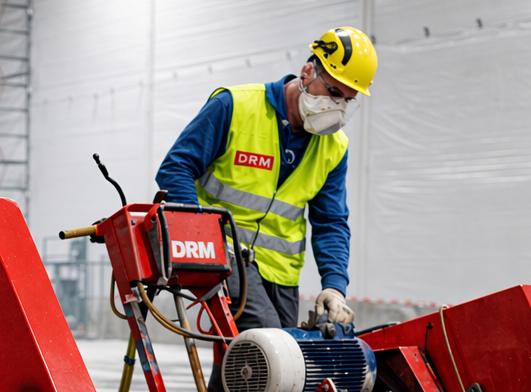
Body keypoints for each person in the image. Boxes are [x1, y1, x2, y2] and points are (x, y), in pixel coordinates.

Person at [155, 27, 376, 334]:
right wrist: (198, 237)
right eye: (334, 93)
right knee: (268, 345)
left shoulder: (334, 148)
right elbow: (176, 168)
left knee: (276, 367)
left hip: (281, 275)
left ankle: (221, 386)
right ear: (307, 72)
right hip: (224, 253)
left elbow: (331, 222)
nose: (337, 108)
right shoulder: (235, 107)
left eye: (347, 101)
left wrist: (334, 286)